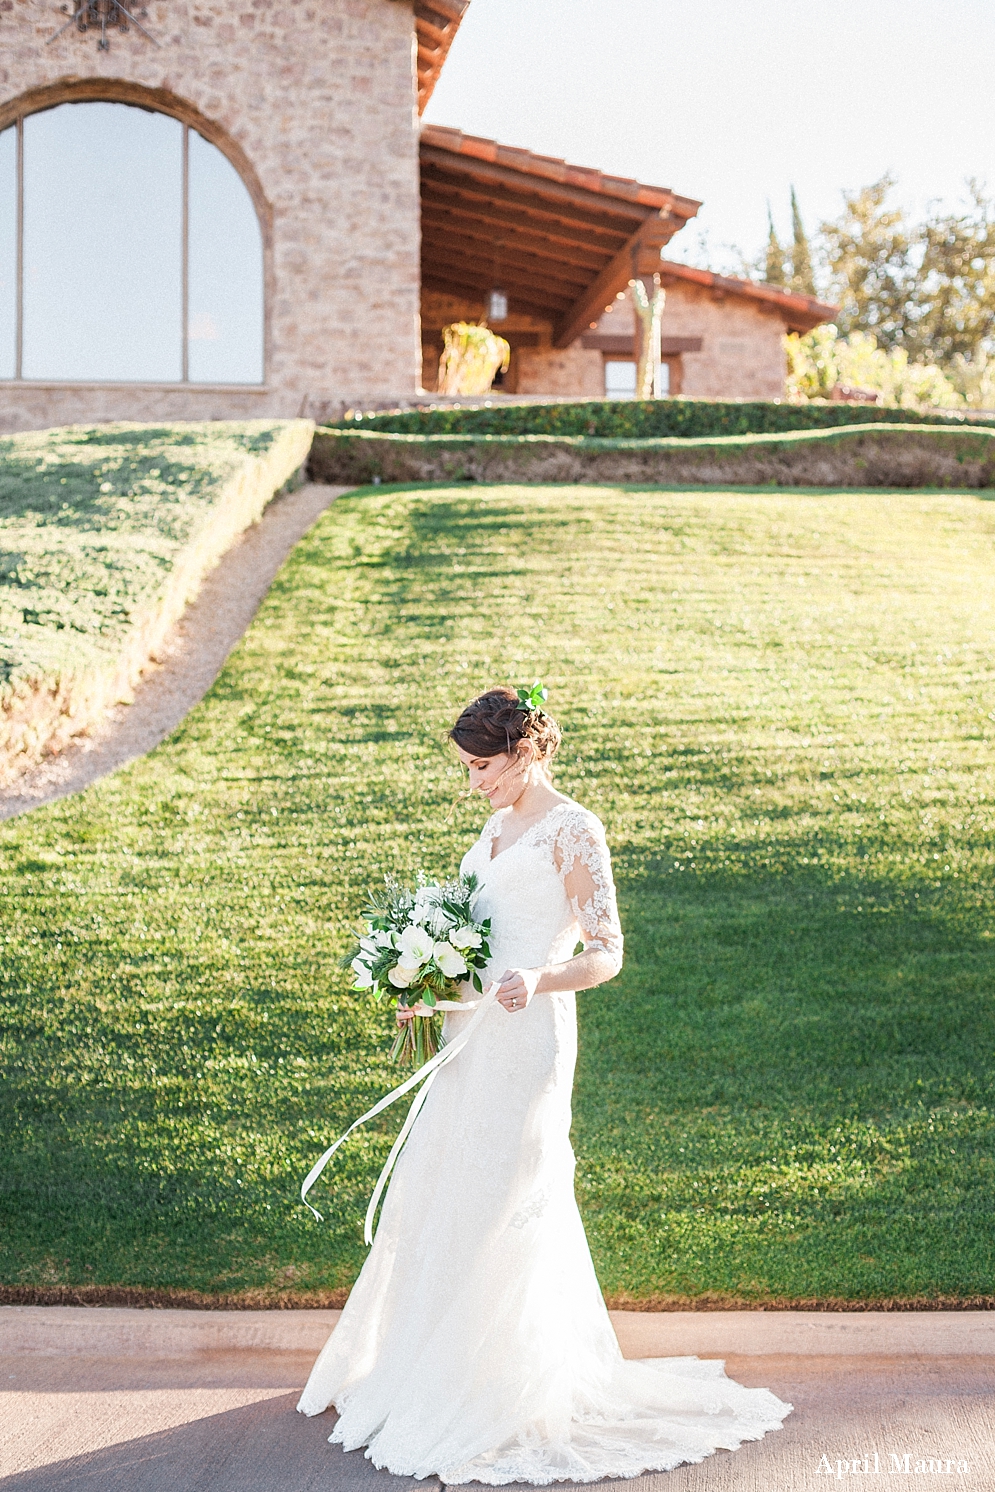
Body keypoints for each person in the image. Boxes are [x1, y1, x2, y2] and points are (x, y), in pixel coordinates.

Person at [297, 687, 791, 1483]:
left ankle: (502, 1387)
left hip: (528, 1037)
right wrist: (426, 987)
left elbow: (607, 952)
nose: (473, 783)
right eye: (466, 769)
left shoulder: (573, 829)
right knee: (447, 1186)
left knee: (505, 1192)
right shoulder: (495, 825)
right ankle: (436, 1370)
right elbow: (475, 936)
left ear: (525, 753)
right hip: (470, 1033)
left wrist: (541, 975)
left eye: (482, 767)